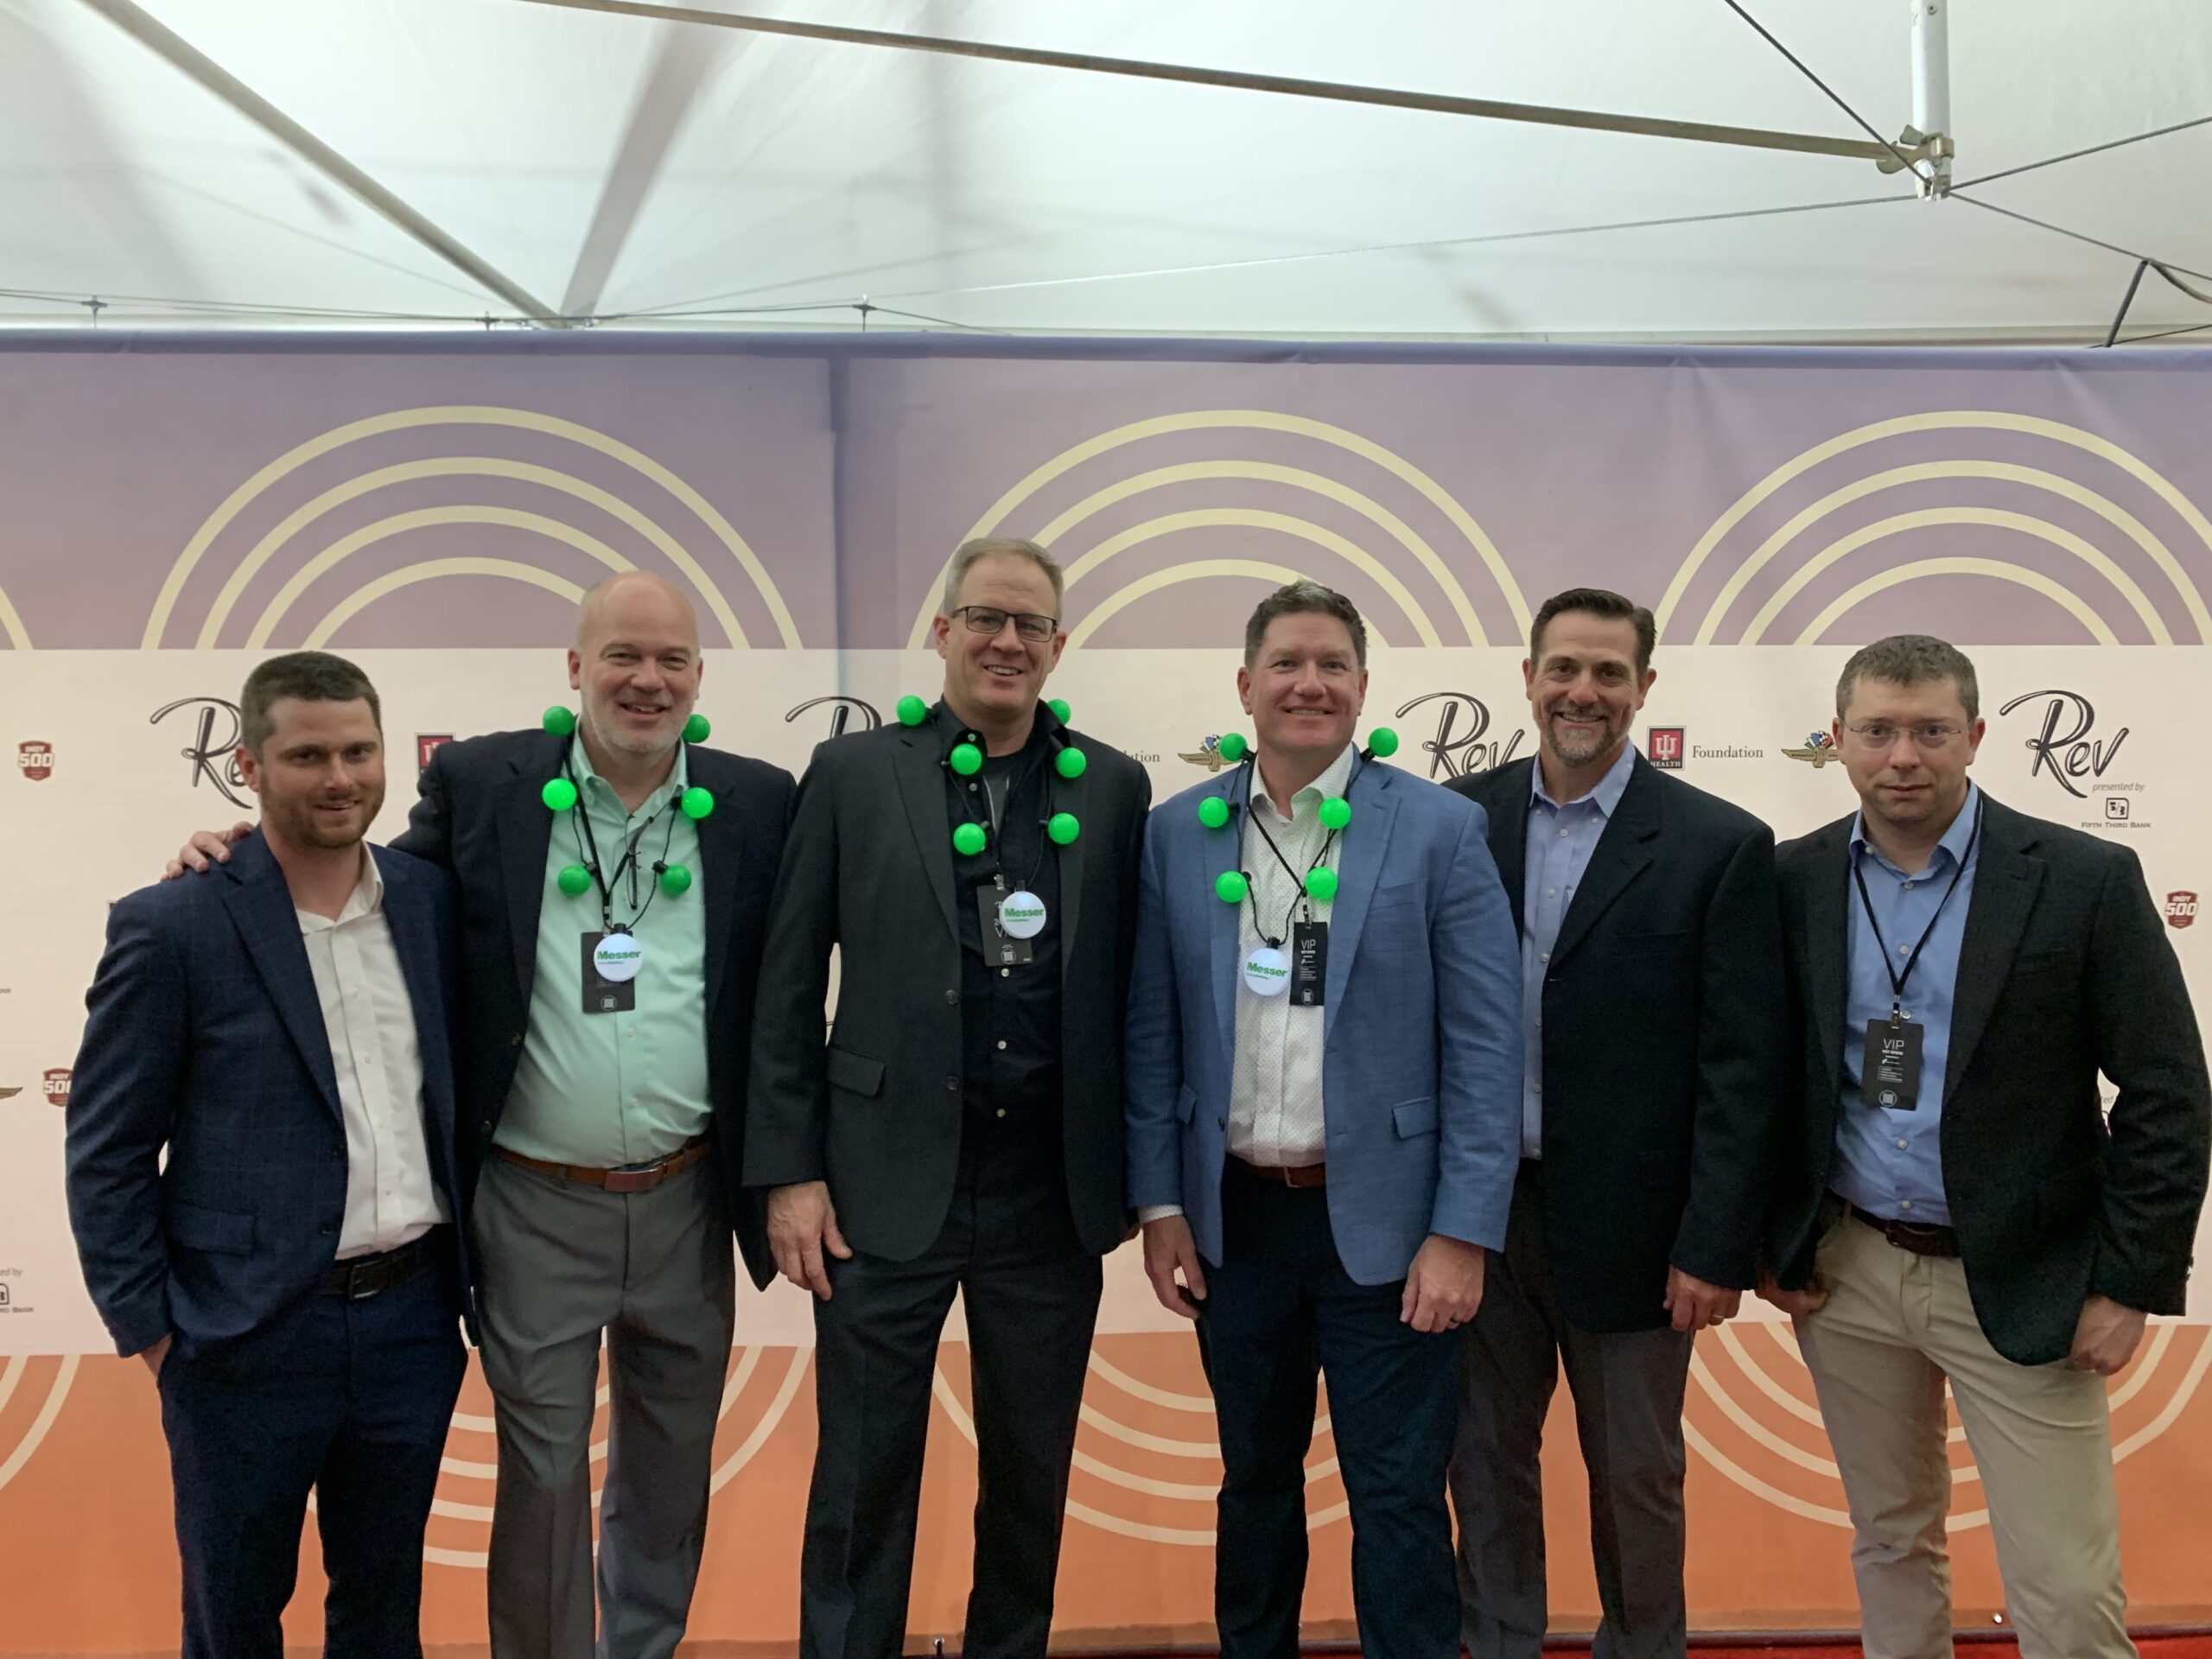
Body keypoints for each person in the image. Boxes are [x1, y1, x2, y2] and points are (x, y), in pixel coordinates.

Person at [169, 572, 797, 1659]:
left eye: (672, 661)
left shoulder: (757, 799)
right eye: (621, 656)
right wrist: (240, 856)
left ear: (699, 676)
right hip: (535, 1199)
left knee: (669, 1471)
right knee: (544, 1475)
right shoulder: (485, 782)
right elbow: (366, 888)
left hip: (692, 1194)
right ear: (574, 667)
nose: (646, 681)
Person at [1762, 633, 2209, 1659]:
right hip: (1849, 1269)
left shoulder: (2084, 877)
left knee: (2063, 1583)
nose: (1902, 756)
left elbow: (2167, 1093)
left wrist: (2129, 1280)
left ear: (1973, 735)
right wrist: (1771, 1247)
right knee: (1889, 1543)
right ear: (1838, 742)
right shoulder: (1790, 880)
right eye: (1877, 732)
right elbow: (1759, 1080)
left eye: (1928, 731)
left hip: (2027, 1277)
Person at [746, 537, 1153, 1659]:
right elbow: (787, 986)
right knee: (862, 1480)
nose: (1006, 642)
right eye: (985, 618)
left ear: (1059, 647)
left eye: (1030, 626)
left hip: (1048, 1198)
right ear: (942, 632)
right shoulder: (855, 774)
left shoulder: (1113, 787)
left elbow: (1134, 997)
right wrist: (789, 1170)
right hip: (881, 1185)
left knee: (1030, 1478)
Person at [1125, 579, 1522, 1659]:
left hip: (1392, 1237)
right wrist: (1161, 1204)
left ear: (1361, 687)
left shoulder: (1440, 828)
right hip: (1235, 1224)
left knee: (1396, 1498)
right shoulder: (1177, 833)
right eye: (1288, 664)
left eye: (1332, 665)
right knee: (1253, 1482)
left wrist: (1461, 1232)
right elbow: (1152, 1036)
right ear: (1245, 685)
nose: (1310, 683)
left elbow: (1488, 1049)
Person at [70, 651, 469, 1658]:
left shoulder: (433, 903)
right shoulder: (174, 922)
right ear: (247, 764)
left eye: (358, 751)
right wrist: (156, 1332)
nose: (339, 778)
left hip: (411, 1330)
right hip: (238, 1340)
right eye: (306, 755)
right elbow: (107, 1148)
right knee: (234, 1617)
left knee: (383, 1615)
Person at [1445, 587, 1786, 1659]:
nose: (1581, 692)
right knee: (1481, 1465)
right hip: (1474, 1220)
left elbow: (1744, 1067)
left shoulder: (1719, 843)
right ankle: (1497, 1644)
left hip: (1642, 1235)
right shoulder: (1457, 819)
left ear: (1644, 687)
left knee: (1638, 1479)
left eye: (1606, 672)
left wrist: (1713, 1243)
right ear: (1529, 678)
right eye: (1563, 669)